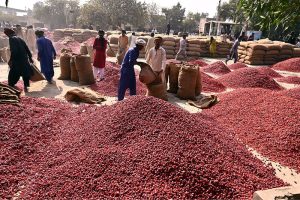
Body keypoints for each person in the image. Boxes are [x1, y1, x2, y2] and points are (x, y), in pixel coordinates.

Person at [4, 28, 33, 92]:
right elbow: (27, 48)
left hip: (17, 59)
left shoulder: (11, 39)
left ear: (8, 34)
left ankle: (11, 84)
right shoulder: (20, 38)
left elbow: (14, 50)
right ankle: (26, 86)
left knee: (13, 73)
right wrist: (30, 57)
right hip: (24, 58)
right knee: (25, 72)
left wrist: (11, 60)